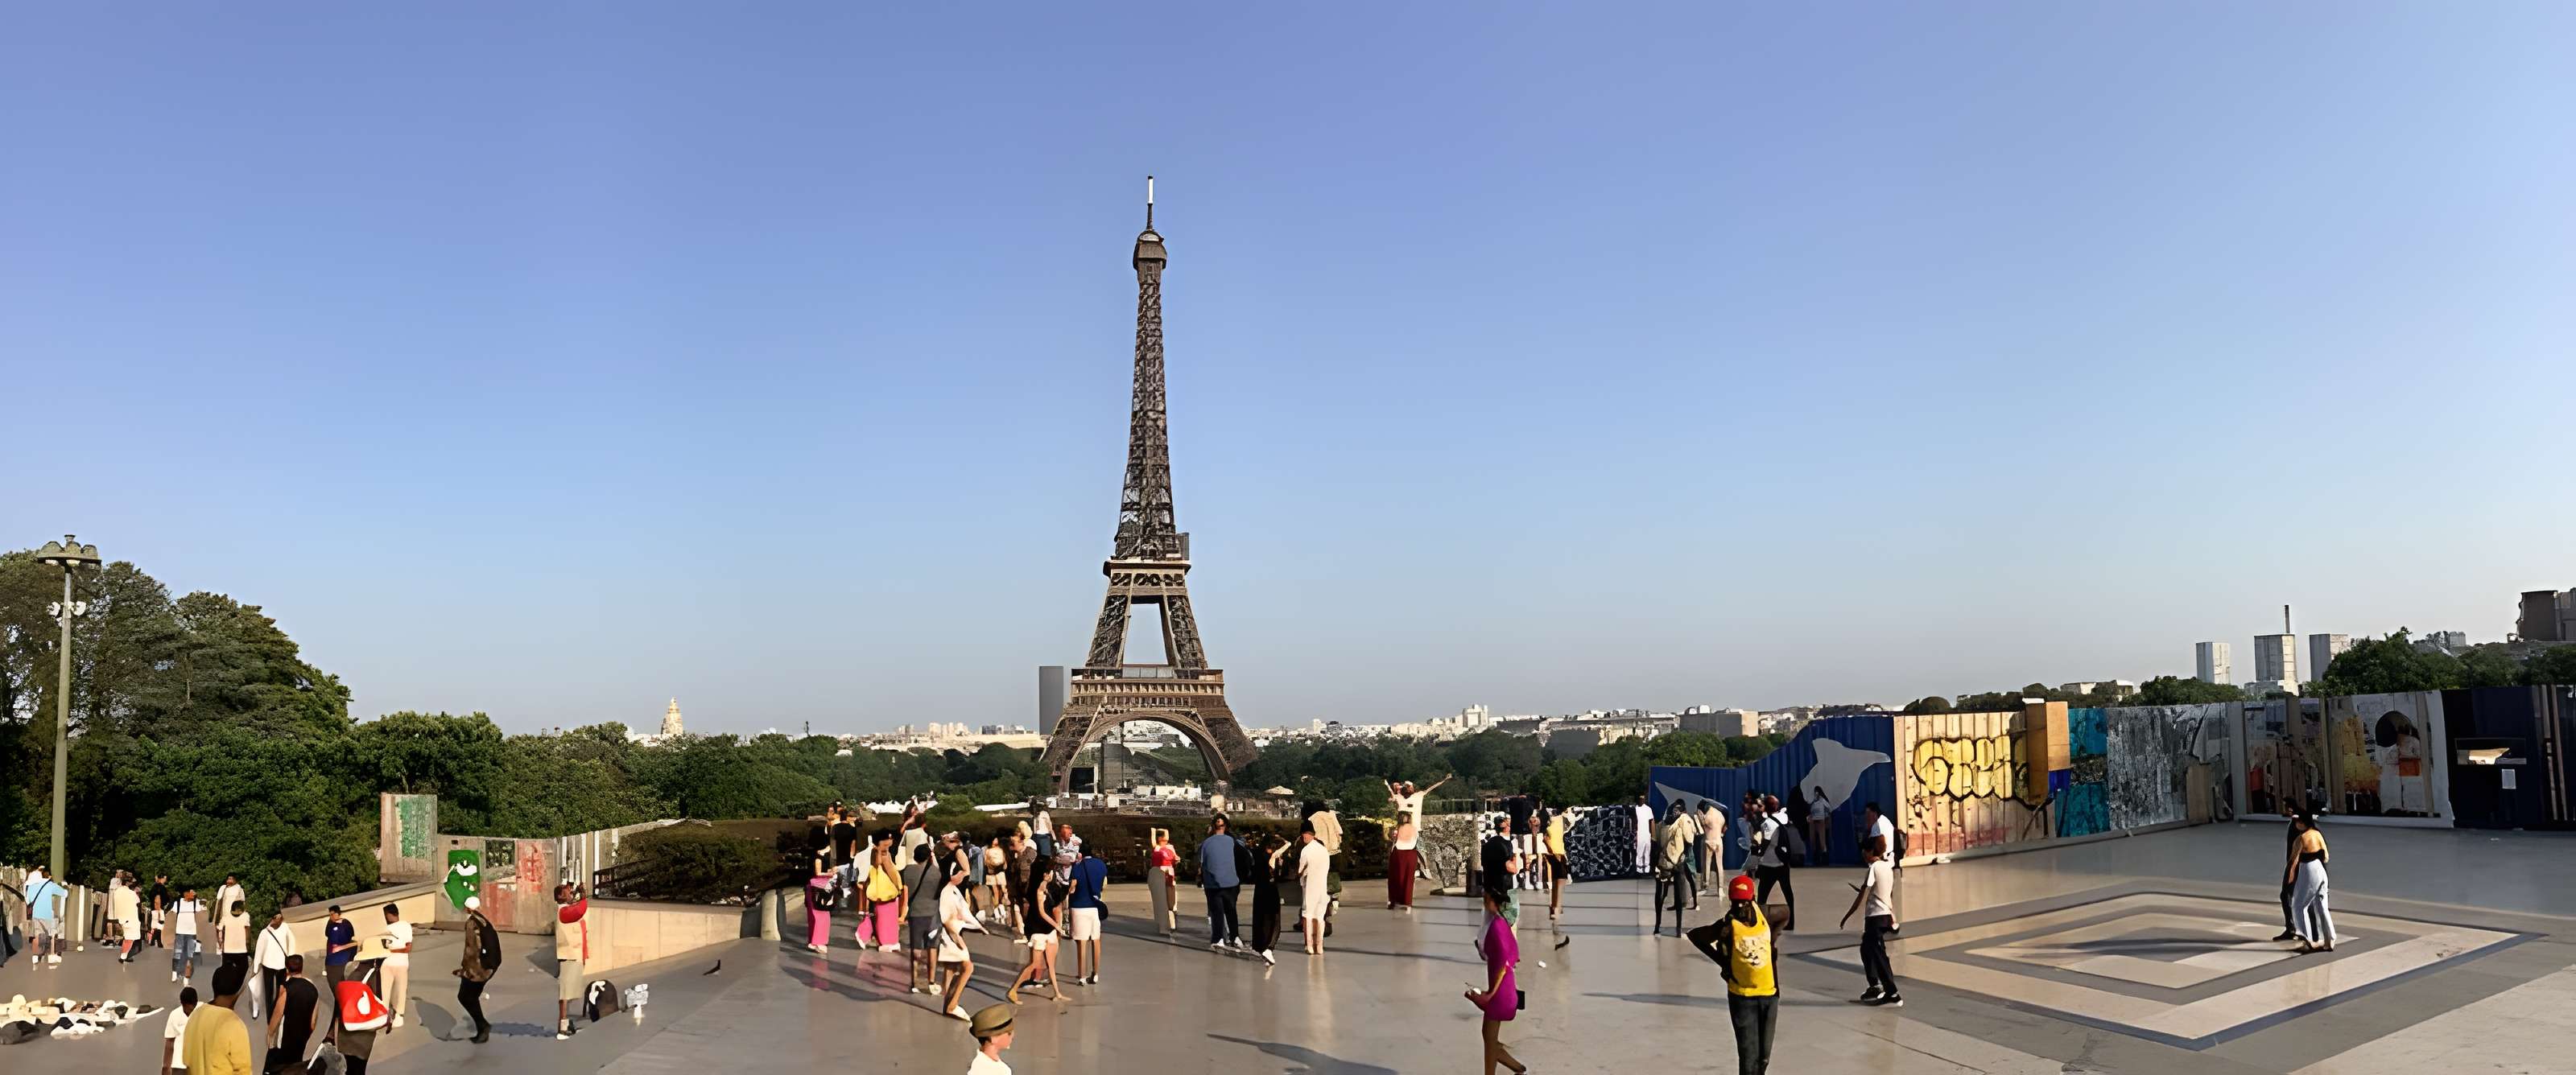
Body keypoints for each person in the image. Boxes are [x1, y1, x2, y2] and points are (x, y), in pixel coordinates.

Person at [1690, 874, 1778, 1075]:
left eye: (1744, 902)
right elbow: (1696, 936)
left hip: (1770, 997)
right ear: (1731, 902)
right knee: (1748, 1059)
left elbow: (1786, 913)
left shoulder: (1765, 915)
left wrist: (1772, 947)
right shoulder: (1727, 925)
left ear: (1753, 899)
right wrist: (1723, 963)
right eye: (1737, 903)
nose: (1741, 907)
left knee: (1763, 1058)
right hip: (1741, 998)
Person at [1467, 885, 1526, 1075]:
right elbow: (1513, 956)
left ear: (1493, 902)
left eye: (1486, 899)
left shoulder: (1497, 927)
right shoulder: (1501, 924)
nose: (1484, 902)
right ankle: (1518, 1068)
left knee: (1489, 1038)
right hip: (1506, 988)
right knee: (1489, 1037)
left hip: (1501, 992)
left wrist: (1490, 994)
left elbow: (1503, 963)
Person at [1840, 837, 1900, 1007]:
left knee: (1877, 953)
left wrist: (1847, 916)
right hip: (1884, 915)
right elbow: (1886, 892)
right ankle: (1875, 985)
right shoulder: (1887, 867)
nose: (1862, 854)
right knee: (1868, 949)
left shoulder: (1873, 868)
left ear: (1869, 851)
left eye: (1864, 851)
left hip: (1875, 916)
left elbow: (1862, 896)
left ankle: (1891, 992)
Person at [1005, 864, 1065, 1004]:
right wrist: (1057, 926)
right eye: (1048, 873)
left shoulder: (1049, 890)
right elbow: (1043, 913)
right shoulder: (1039, 890)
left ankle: (1057, 993)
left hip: (1048, 931)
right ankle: (1013, 990)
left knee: (1050, 964)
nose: (1050, 875)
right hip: (1039, 932)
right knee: (1034, 963)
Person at [180, 962, 252, 1075]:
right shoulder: (234, 1024)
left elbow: (187, 1062)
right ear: (238, 993)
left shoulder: (195, 1016)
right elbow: (243, 1070)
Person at [935, 855, 982, 1020]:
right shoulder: (947, 893)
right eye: (960, 874)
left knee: (951, 969)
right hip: (951, 938)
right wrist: (959, 941)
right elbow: (947, 920)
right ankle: (952, 1004)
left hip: (950, 937)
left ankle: (948, 1004)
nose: (963, 877)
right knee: (968, 968)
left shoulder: (950, 890)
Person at [2288, 812, 2337, 953]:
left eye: (2298, 822)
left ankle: (2306, 939)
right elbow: (2326, 856)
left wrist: (2290, 878)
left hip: (2308, 869)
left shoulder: (2301, 838)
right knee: (2322, 907)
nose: (2297, 825)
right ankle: (2330, 940)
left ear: (2303, 823)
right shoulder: (2317, 834)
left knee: (2298, 906)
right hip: (2320, 869)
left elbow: (2294, 860)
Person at [267, 953, 324, 1073]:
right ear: (302, 968)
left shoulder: (287, 989)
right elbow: (313, 1022)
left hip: (286, 1037)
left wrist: (270, 1034)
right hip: (302, 1037)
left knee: (279, 1067)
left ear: (287, 969)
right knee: (296, 1066)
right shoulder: (313, 989)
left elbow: (277, 1015)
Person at [455, 895, 500, 1044]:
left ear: (467, 908)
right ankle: (482, 1027)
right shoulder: (483, 920)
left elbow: (471, 948)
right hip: (488, 967)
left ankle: (483, 1026)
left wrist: (465, 969)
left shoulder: (472, 923)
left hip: (477, 970)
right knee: (470, 997)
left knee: (464, 997)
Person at [1198, 814, 1245, 950]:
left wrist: (1201, 878)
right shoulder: (1234, 842)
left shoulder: (1206, 843)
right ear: (1227, 826)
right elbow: (1244, 859)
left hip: (1212, 884)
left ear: (1213, 826)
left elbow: (1201, 865)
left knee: (1217, 912)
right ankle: (1235, 937)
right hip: (1231, 882)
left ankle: (1218, 938)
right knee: (1231, 911)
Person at [907, 842, 948, 995]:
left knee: (915, 948)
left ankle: (914, 982)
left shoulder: (908, 871)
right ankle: (931, 981)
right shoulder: (935, 873)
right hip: (933, 914)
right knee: (933, 947)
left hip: (915, 913)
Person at [1653, 800, 1697, 937]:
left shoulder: (1660, 825)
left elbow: (1656, 845)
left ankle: (1657, 926)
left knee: (1661, 894)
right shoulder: (1683, 821)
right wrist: (1685, 855)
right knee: (1677, 893)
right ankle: (1677, 929)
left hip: (1664, 863)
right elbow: (1689, 841)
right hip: (1678, 862)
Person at [1067, 846, 1108, 986]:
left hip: (1079, 906)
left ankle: (1082, 976)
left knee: (1081, 942)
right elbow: (1103, 885)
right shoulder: (1101, 865)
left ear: (1081, 853)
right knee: (1096, 940)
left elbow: (1073, 885)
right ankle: (1095, 973)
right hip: (1095, 907)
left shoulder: (1078, 866)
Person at [1754, 794, 1796, 929]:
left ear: (1766, 807)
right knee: (1788, 893)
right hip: (1782, 864)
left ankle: (1760, 923)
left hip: (1769, 865)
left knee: (1762, 897)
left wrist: (1758, 854)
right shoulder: (1782, 819)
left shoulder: (1767, 823)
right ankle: (1791, 922)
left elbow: (1766, 842)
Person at [555, 882, 588, 1040]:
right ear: (561, 897)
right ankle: (562, 1027)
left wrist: (578, 896)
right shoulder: (564, 912)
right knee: (566, 994)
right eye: (567, 892)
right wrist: (583, 895)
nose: (570, 894)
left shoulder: (565, 909)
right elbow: (579, 910)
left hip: (574, 954)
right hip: (569, 955)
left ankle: (566, 1024)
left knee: (570, 992)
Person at [864, 831, 906, 953]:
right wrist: (898, 886)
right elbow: (891, 871)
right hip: (888, 890)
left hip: (878, 891)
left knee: (881, 917)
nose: (890, 841)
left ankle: (884, 940)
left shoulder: (874, 852)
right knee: (890, 918)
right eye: (888, 839)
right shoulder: (885, 854)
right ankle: (890, 941)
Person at [254, 911, 299, 1024]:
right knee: (268, 992)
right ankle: (270, 1017)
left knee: (282, 990)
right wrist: (256, 967)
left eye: (281, 917)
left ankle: (279, 1010)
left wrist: (290, 956)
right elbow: (259, 951)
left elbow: (292, 940)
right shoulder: (265, 932)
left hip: (281, 964)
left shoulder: (285, 927)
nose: (280, 920)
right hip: (268, 964)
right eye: (278, 918)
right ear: (273, 918)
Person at [1251, 834, 1288, 966]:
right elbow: (1288, 844)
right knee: (1275, 921)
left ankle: (1259, 946)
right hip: (1271, 890)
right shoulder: (1273, 858)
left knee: (1261, 919)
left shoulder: (1258, 854)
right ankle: (1269, 947)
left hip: (1259, 890)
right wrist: (1282, 839)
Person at [1295, 821, 1331, 955]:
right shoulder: (1323, 850)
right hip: (1322, 887)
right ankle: (1319, 946)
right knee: (1320, 917)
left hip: (1309, 887)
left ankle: (1309, 945)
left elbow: (1301, 870)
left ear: (1306, 834)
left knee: (1307, 916)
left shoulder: (1306, 850)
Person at [24, 865, 65, 969]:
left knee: (37, 936)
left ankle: (35, 956)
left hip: (35, 915)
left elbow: (28, 900)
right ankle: (52, 956)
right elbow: (65, 893)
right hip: (47, 914)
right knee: (51, 935)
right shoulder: (50, 885)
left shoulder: (30, 886)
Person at [379, 903, 413, 1031]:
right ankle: (384, 1013)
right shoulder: (386, 928)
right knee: (385, 990)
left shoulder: (405, 926)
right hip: (387, 963)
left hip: (400, 963)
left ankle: (399, 1015)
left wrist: (393, 951)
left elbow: (408, 947)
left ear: (390, 914)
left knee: (400, 989)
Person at [806, 826, 836, 953]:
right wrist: (831, 873)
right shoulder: (821, 855)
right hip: (820, 888)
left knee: (814, 916)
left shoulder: (815, 854)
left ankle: (814, 940)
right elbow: (819, 872)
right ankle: (819, 942)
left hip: (813, 887)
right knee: (822, 916)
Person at [320, 904, 356, 1010]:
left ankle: (345, 1005)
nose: (330, 916)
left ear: (338, 913)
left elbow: (351, 938)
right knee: (334, 984)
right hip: (332, 958)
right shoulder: (330, 923)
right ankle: (340, 1004)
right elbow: (327, 934)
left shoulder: (346, 924)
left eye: (332, 914)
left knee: (342, 982)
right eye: (329, 915)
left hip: (343, 958)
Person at [967, 1002, 1017, 1075]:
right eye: (1009, 1033)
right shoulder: (1001, 1070)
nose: (1013, 1036)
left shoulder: (977, 1060)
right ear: (993, 1038)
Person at [1146, 829, 1179, 934]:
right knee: (1161, 901)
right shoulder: (1157, 848)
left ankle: (1172, 923)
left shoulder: (1170, 848)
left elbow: (1167, 834)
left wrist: (1161, 830)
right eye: (1161, 837)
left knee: (1171, 901)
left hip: (1169, 875)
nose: (1164, 838)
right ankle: (1164, 926)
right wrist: (1153, 832)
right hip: (1159, 873)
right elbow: (1153, 841)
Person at [1388, 810, 1421, 912]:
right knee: (1409, 879)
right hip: (1411, 854)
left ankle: (1395, 901)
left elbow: (1394, 840)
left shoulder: (1397, 829)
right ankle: (1407, 902)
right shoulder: (1414, 829)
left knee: (1396, 879)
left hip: (1398, 854)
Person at [1542, 805, 1571, 922]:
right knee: (1559, 881)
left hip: (1556, 852)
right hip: (1555, 852)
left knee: (1557, 881)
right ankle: (1556, 907)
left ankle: (1555, 906)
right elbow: (1546, 838)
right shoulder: (1558, 820)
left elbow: (1546, 837)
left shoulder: (1553, 820)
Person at [162, 985, 199, 1075]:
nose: (190, 1010)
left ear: (196, 1003)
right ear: (182, 1003)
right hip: (179, 1066)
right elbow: (170, 1043)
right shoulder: (174, 1015)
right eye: (186, 1006)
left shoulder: (204, 1012)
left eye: (192, 1007)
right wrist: (166, 1068)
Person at [1697, 798, 1729, 896]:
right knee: (1720, 866)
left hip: (1708, 841)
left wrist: (1698, 815)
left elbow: (1701, 828)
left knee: (1706, 865)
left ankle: (1705, 887)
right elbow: (1725, 828)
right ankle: (1720, 888)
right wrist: (1721, 834)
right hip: (1719, 841)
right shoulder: (1721, 816)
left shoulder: (1707, 816)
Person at [113, 871, 144, 963]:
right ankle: (123, 957)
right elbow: (138, 902)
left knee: (127, 938)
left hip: (120, 918)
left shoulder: (117, 892)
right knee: (130, 939)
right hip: (130, 919)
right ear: (129, 882)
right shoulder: (132, 894)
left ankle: (124, 956)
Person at [218, 899, 254, 982]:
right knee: (242, 976)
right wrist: (248, 947)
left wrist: (220, 943)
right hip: (242, 951)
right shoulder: (246, 916)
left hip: (227, 951)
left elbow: (219, 929)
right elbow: (247, 933)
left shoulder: (225, 917)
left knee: (227, 975)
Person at [1864, 801, 1900, 870]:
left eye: (1868, 813)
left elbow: (1875, 845)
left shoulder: (1877, 825)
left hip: (1882, 860)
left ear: (1874, 814)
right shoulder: (1884, 820)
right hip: (1890, 858)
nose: (1866, 816)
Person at [1805, 785, 1833, 866]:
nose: (1815, 794)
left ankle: (1825, 859)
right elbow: (1808, 811)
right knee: (1813, 840)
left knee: (1822, 841)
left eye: (1817, 792)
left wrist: (1826, 816)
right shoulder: (1811, 802)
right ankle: (1816, 859)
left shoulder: (1822, 800)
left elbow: (1829, 808)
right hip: (1813, 821)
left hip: (1821, 821)